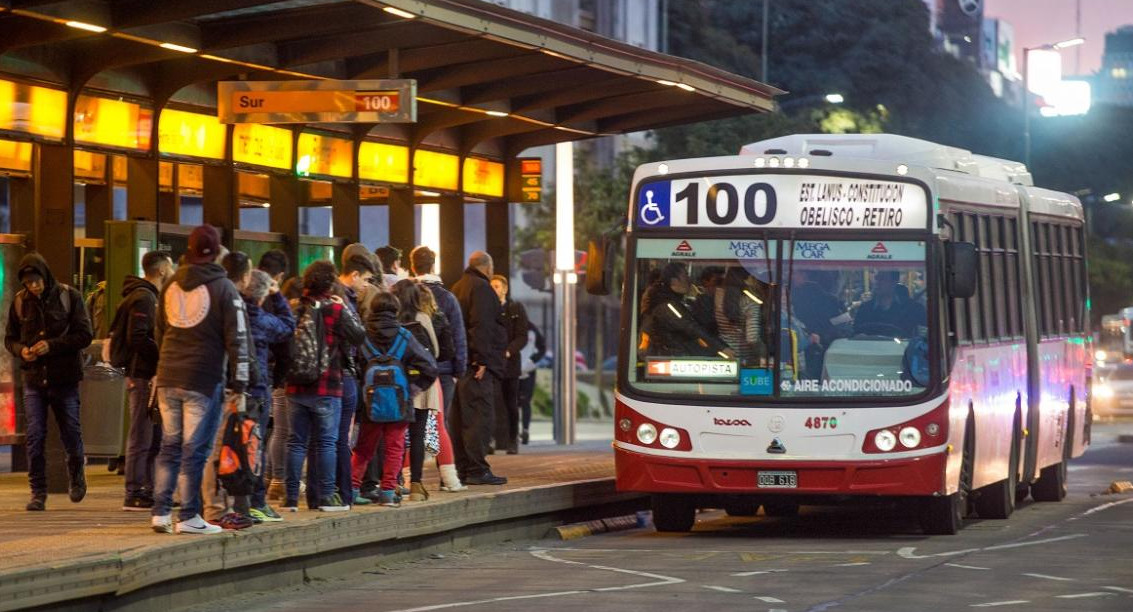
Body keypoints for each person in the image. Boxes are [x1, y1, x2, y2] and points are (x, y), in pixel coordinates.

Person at [151, 225, 251, 535]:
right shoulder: (224, 288)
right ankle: (190, 515)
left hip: (168, 375)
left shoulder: (170, 285)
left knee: (169, 447)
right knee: (195, 449)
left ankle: (160, 512)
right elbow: (238, 338)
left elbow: (159, 331)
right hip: (203, 378)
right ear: (217, 252)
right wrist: (240, 383)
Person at [4, 252, 93, 511]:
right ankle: (37, 492)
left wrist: (51, 346)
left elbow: (84, 335)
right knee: (35, 435)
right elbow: (10, 338)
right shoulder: (20, 302)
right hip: (33, 378)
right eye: (28, 283)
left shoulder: (69, 297)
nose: (33, 287)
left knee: (71, 431)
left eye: (37, 281)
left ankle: (76, 476)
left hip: (64, 378)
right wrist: (21, 350)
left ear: (46, 276)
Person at [284, 260, 365, 513]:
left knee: (296, 442)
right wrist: (344, 308)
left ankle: (289, 499)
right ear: (330, 283)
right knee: (326, 443)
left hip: (295, 386)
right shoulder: (335, 309)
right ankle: (328, 496)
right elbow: (359, 336)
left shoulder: (294, 307)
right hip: (327, 386)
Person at [350, 291, 437, 507]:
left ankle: (351, 489)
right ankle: (388, 493)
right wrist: (413, 388)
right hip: (399, 401)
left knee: (363, 448)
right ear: (395, 311)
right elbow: (430, 367)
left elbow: (351, 365)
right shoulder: (404, 337)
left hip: (370, 403)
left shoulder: (362, 336)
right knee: (395, 448)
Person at [323, 244, 378, 508]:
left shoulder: (344, 298)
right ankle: (339, 491)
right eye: (366, 280)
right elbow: (356, 337)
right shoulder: (341, 299)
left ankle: (334, 490)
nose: (368, 286)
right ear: (354, 275)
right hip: (341, 375)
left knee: (333, 438)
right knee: (338, 438)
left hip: (340, 374)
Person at [119, 251, 174, 511]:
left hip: (144, 374)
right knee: (141, 433)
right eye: (170, 266)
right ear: (162, 269)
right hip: (141, 374)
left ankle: (147, 487)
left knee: (151, 434)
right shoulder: (144, 297)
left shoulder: (146, 295)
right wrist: (163, 352)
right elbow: (138, 337)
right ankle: (134, 490)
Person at [449, 251, 508, 485]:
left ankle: (463, 468)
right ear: (488, 267)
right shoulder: (482, 289)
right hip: (477, 367)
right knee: (479, 419)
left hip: (463, 365)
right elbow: (481, 325)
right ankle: (477, 469)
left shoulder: (457, 287)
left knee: (462, 419)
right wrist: (481, 360)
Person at [241, 269, 294, 522]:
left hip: (229, 388)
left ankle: (232, 502)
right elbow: (287, 326)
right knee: (255, 446)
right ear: (262, 296)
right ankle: (256, 502)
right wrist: (279, 295)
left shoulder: (231, 314)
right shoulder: (260, 318)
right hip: (257, 389)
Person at [409, 246, 467, 436]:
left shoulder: (405, 294)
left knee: (413, 422)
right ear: (434, 266)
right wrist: (459, 369)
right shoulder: (448, 298)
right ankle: (441, 462)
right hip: (443, 369)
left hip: (412, 369)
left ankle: (414, 462)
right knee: (438, 421)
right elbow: (458, 335)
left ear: (412, 266)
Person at [392, 280, 440, 501]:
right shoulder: (422, 318)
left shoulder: (392, 319)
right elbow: (435, 352)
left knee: (395, 434)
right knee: (417, 434)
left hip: (395, 385)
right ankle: (416, 485)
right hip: (420, 386)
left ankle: (392, 481)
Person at [417, 286, 465, 491]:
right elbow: (454, 344)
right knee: (438, 426)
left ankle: (409, 480)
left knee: (411, 431)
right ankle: (450, 479)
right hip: (436, 375)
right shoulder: (440, 315)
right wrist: (458, 371)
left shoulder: (405, 318)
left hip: (409, 379)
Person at [257, 250, 295, 503]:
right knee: (273, 431)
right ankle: (262, 491)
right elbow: (286, 333)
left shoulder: (236, 300)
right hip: (264, 376)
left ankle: (268, 481)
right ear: (279, 276)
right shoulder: (270, 306)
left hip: (242, 377)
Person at [639, 262, 733, 359]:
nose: (690, 280)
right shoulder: (668, 306)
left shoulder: (668, 300)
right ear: (674, 281)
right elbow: (690, 327)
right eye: (686, 275)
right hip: (664, 357)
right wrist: (722, 348)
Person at [489, 275, 528, 455]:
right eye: (492, 286)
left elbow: (522, 336)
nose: (494, 289)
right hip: (492, 363)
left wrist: (508, 351)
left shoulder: (515, 308)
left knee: (511, 403)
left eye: (497, 286)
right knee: (491, 403)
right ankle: (490, 440)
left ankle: (513, 440)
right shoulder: (487, 309)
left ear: (504, 289)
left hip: (510, 364)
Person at [714, 267, 770, 366]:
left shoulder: (718, 295)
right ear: (748, 279)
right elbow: (752, 338)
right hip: (744, 358)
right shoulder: (750, 302)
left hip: (723, 353)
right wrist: (765, 352)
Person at [853, 270, 926, 338]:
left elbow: (924, 335)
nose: (877, 282)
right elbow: (855, 333)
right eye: (876, 278)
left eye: (882, 278)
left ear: (894, 282)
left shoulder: (912, 309)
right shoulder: (865, 308)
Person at [516, 322, 546, 445]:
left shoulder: (532, 330)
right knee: (516, 403)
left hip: (528, 369)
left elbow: (542, 348)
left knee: (525, 402)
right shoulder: (512, 327)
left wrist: (532, 360)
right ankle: (517, 431)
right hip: (515, 369)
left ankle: (525, 430)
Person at [689, 266, 724, 337]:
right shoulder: (703, 303)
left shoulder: (723, 301)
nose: (722, 286)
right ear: (705, 282)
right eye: (717, 282)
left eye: (723, 282)